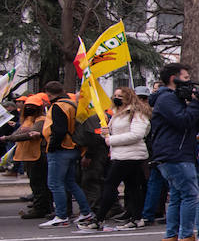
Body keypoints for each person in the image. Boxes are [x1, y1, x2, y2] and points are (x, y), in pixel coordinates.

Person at [149, 63, 199, 241]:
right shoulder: (167, 98)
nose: (190, 82)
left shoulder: (171, 99)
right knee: (191, 195)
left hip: (176, 153)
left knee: (178, 196)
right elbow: (184, 120)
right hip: (175, 154)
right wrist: (196, 102)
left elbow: (192, 126)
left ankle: (171, 239)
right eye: (186, 78)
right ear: (173, 78)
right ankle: (186, 239)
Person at [92, 87, 151, 231]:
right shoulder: (118, 114)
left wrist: (111, 139)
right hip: (121, 154)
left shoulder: (136, 114)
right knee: (132, 187)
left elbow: (137, 135)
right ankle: (137, 218)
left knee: (110, 184)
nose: (116, 98)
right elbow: (113, 133)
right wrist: (105, 133)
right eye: (115, 95)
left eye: (120, 95)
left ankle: (98, 219)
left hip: (130, 155)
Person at [39, 81, 95, 230]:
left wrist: (52, 146)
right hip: (74, 147)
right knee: (70, 182)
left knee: (55, 183)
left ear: (49, 94)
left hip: (61, 148)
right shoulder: (72, 104)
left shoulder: (58, 106)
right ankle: (86, 212)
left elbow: (59, 130)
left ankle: (62, 216)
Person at [2, 94, 52, 219]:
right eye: (28, 106)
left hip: (37, 155)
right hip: (27, 155)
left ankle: (41, 208)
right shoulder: (27, 119)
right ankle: (43, 206)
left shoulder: (41, 119)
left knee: (39, 183)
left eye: (33, 106)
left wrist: (7, 138)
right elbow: (19, 133)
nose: (29, 108)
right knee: (35, 183)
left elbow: (29, 134)